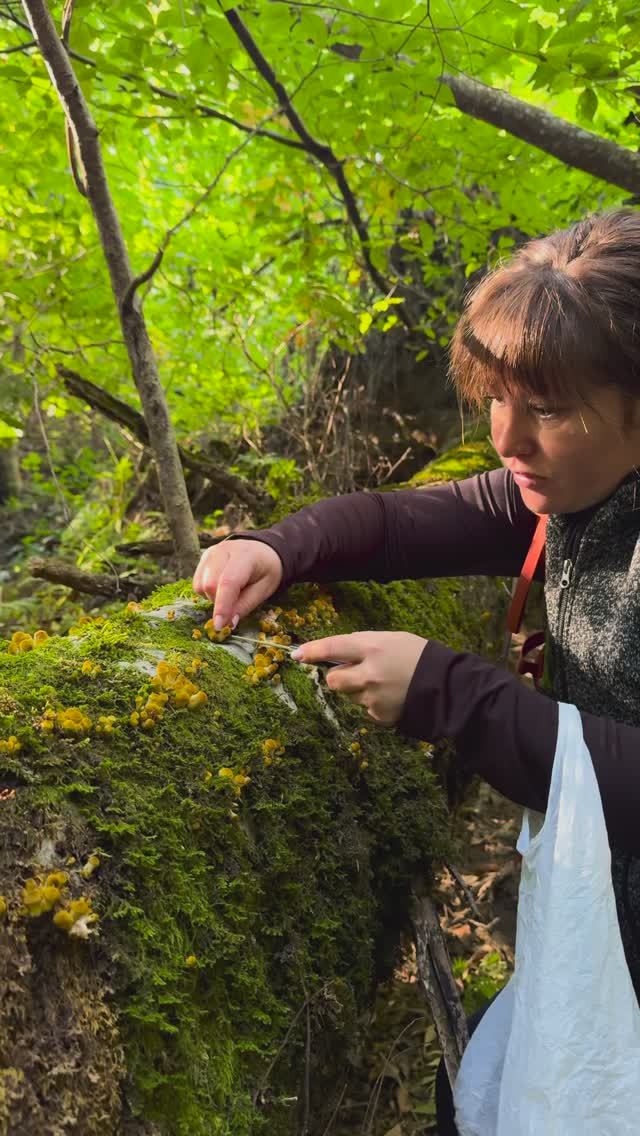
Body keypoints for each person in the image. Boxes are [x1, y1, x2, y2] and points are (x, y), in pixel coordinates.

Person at [193, 209, 640, 1132]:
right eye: (498, 399)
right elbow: (408, 521)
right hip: (598, 913)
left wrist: (451, 694)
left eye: (547, 410)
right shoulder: (575, 491)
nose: (508, 440)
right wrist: (276, 548)